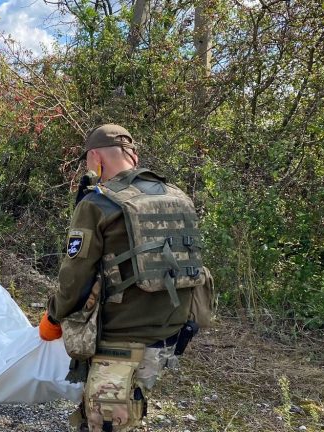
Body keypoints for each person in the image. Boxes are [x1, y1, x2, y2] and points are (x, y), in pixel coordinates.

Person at [39, 124, 212, 432]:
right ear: (134, 155)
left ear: (94, 158)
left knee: (107, 422)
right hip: (170, 334)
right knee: (129, 407)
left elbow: (74, 278)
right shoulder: (177, 195)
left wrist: (54, 316)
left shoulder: (98, 202)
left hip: (120, 338)